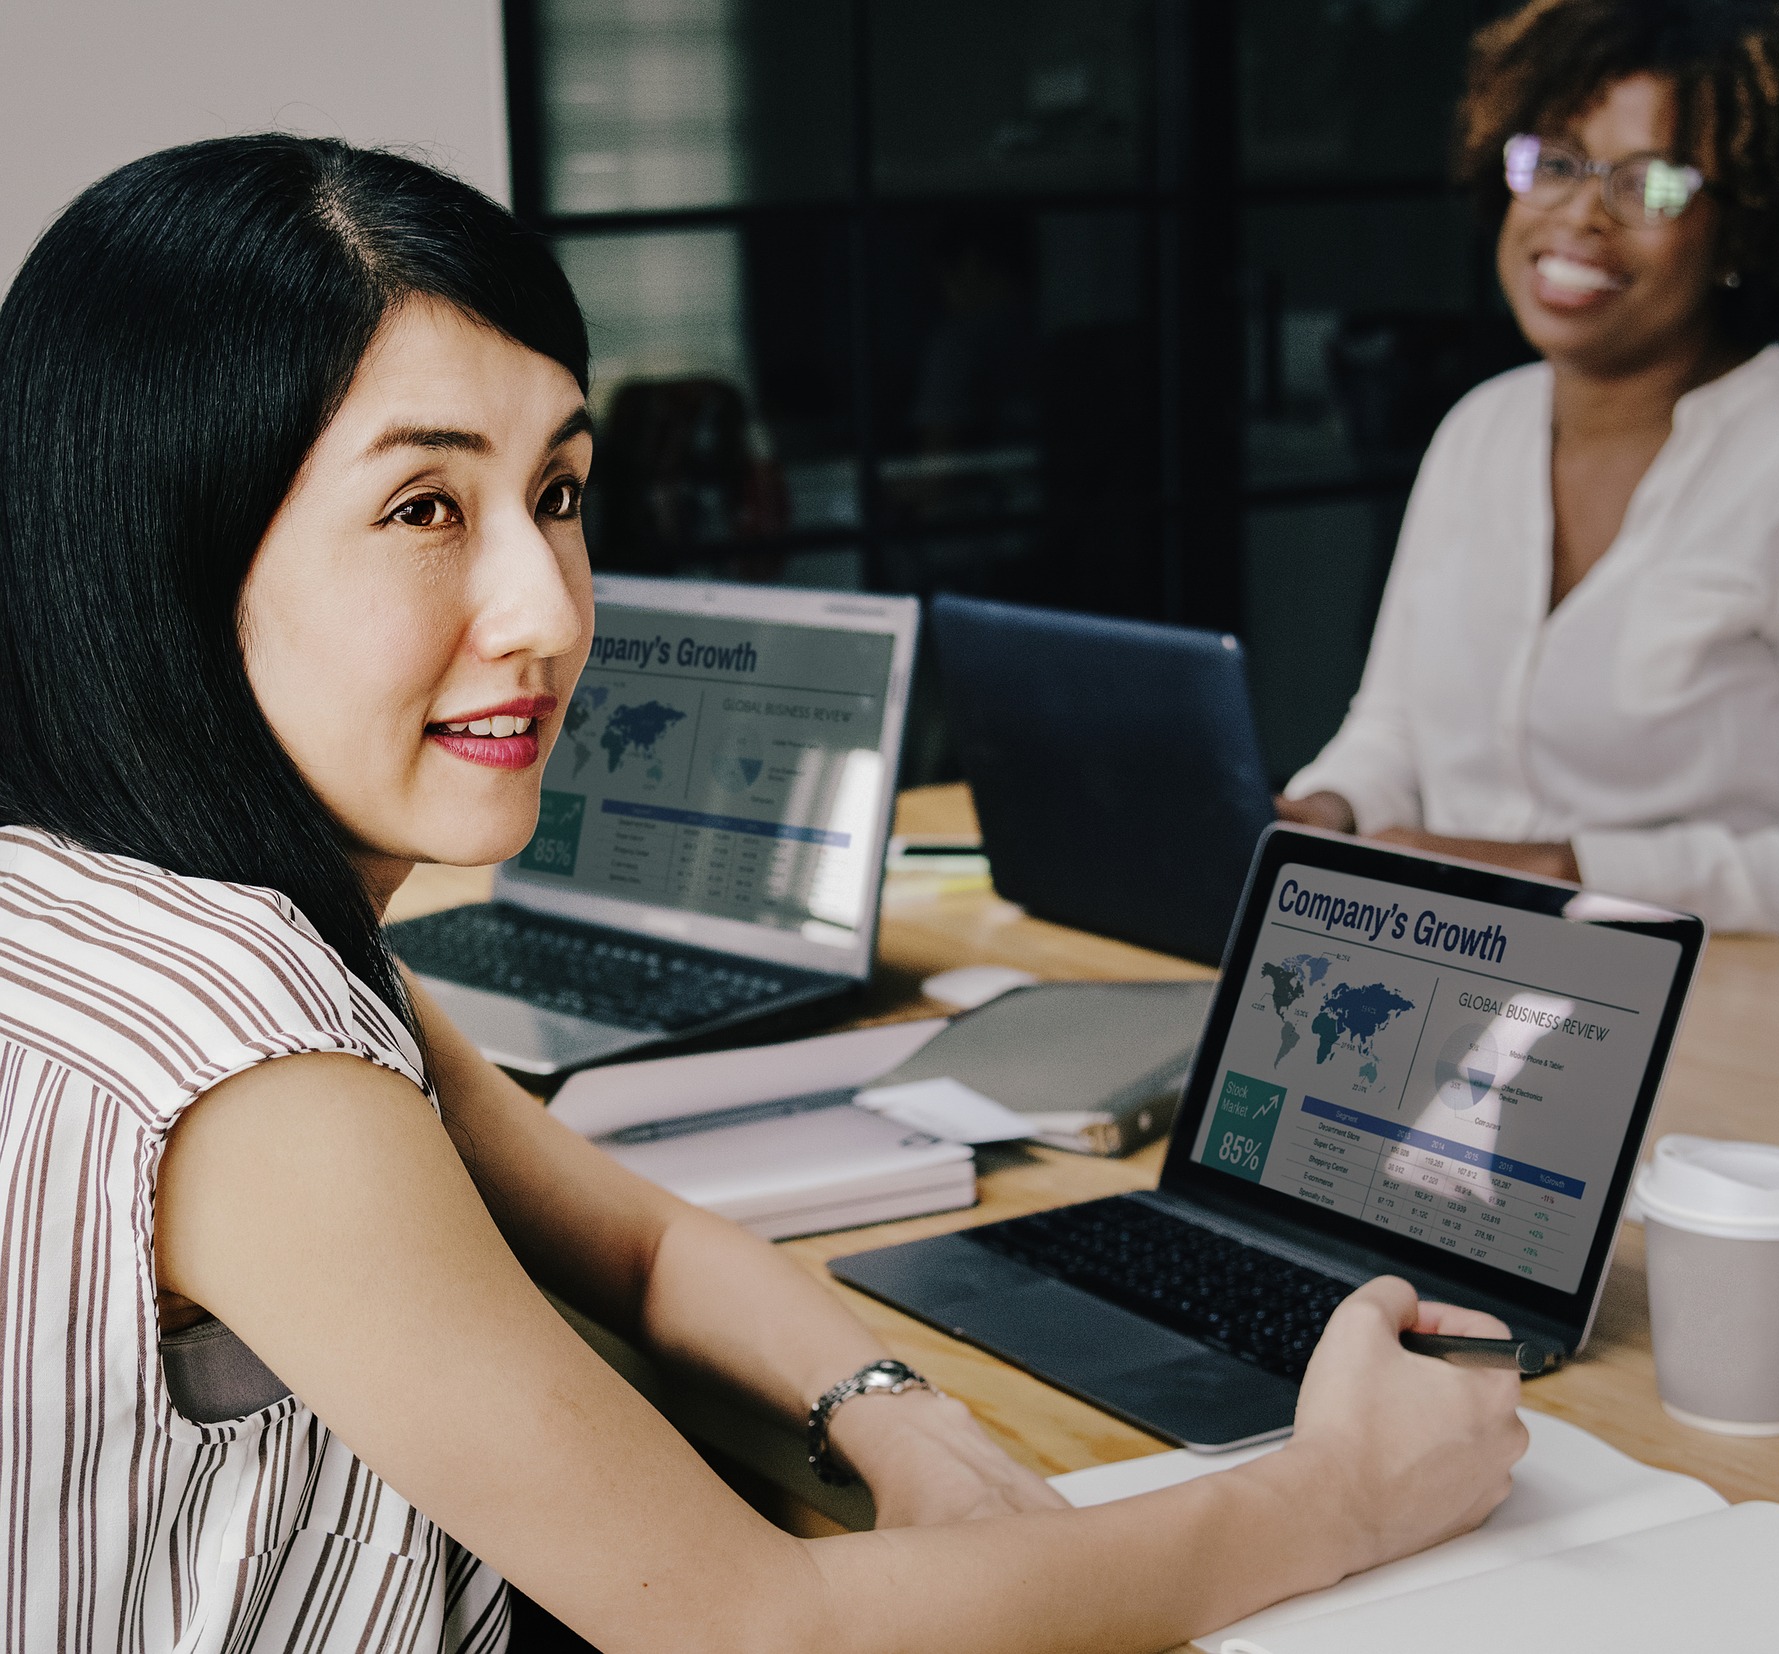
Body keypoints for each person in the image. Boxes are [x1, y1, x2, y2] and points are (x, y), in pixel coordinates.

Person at [0, 137, 1524, 1653]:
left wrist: (898, 1422)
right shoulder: (257, 1069)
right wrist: (1343, 1495)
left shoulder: (119, 898)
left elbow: (650, 1249)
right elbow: (755, 1630)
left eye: (558, 491)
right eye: (424, 509)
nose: (547, 606)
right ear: (165, 555)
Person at [1279, 0, 1779, 955]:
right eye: (1557, 159)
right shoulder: (1478, 431)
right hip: (1448, 985)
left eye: (1651, 182)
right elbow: (1394, 734)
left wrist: (1571, 871)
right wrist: (1326, 810)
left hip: (1728, 1023)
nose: (1580, 212)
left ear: (1745, 228)